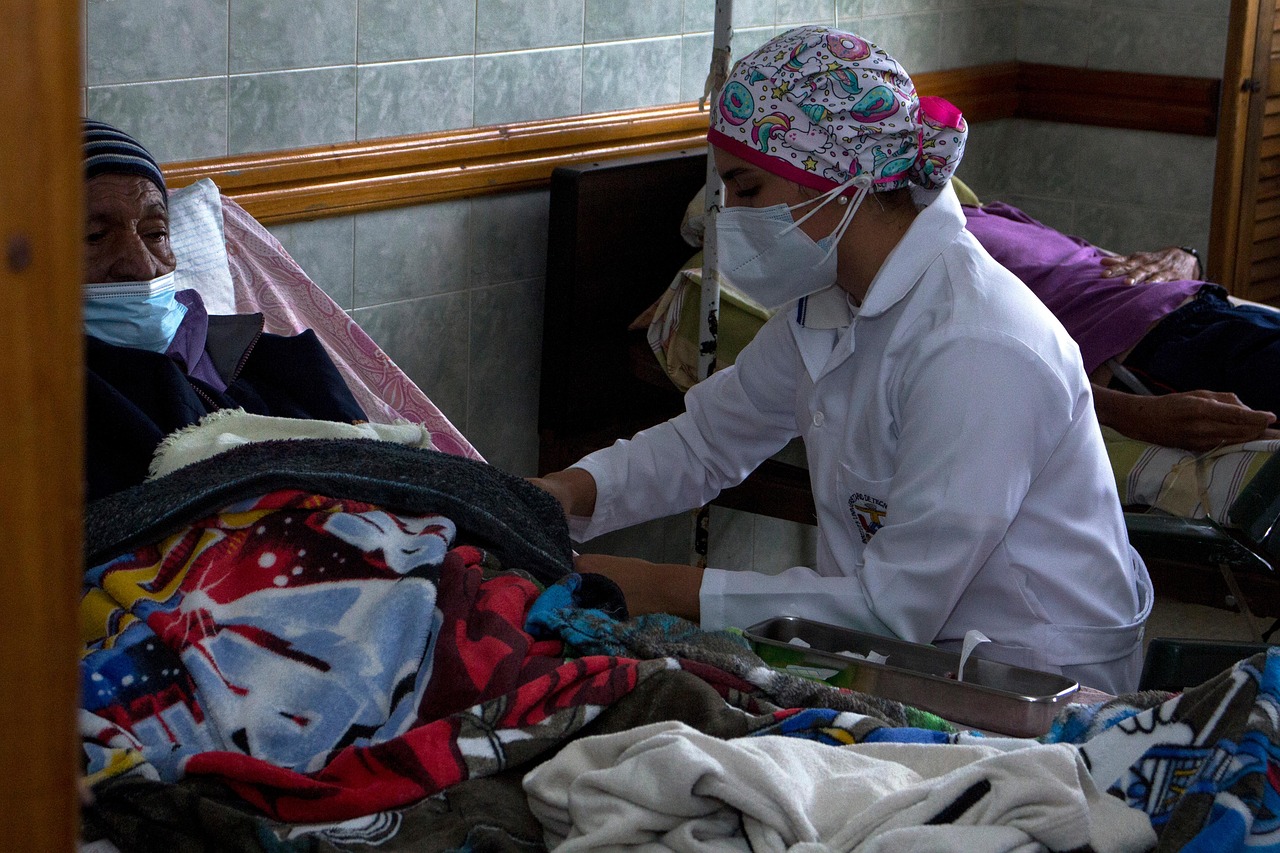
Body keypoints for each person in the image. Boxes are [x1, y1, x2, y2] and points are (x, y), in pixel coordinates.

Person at [531, 27, 1153, 695]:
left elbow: (892, 610)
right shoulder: (830, 302)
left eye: (746, 190)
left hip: (1037, 682)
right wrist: (558, 496)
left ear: (838, 181)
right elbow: (705, 442)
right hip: (898, 652)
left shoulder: (975, 346)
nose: (727, 217)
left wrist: (658, 586)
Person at [81, 118, 367, 500]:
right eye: (95, 236)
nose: (142, 265)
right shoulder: (53, 415)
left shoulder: (272, 361)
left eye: (155, 233)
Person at [960, 201, 1280, 453]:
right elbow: (990, 368)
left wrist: (1188, 258)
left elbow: (1088, 263)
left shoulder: (990, 210)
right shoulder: (939, 249)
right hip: (1155, 348)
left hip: (1212, 306)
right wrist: (1132, 415)